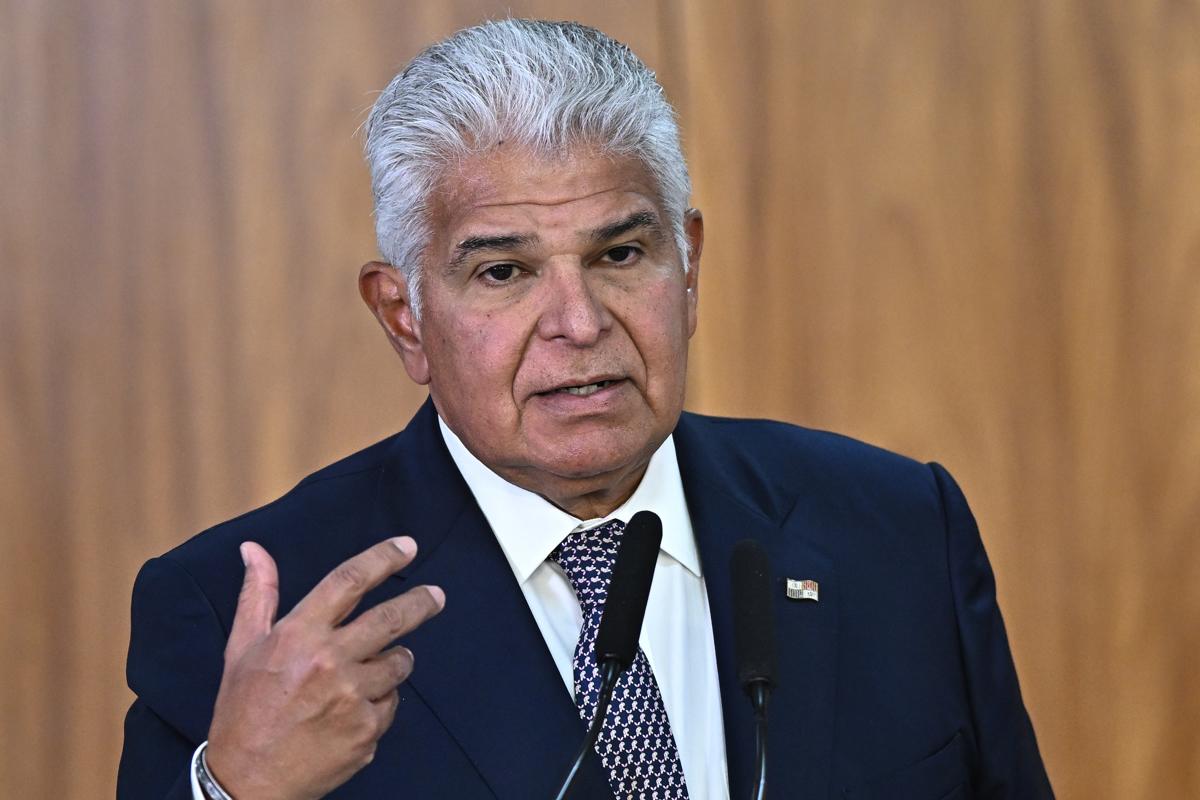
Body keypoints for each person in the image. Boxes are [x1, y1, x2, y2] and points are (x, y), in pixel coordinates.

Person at [117, 18, 1053, 800]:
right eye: (503, 271)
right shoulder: (245, 616)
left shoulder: (897, 529)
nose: (579, 322)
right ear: (404, 317)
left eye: (620, 255)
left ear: (688, 268)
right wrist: (237, 790)